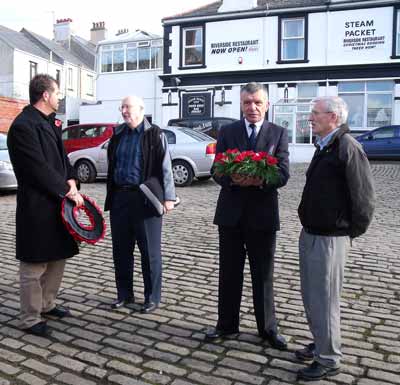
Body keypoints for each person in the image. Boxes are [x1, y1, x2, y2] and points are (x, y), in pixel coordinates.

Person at [205, 82, 290, 350]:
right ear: (240, 104)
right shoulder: (227, 132)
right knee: (229, 272)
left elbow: (284, 173)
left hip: (263, 215)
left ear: (266, 104)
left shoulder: (279, 133)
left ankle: (267, 329)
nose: (252, 108)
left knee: (263, 274)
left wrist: (260, 181)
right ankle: (226, 326)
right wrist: (233, 179)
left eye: (257, 102)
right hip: (230, 215)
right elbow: (217, 170)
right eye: (246, 103)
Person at [296, 96, 375, 381]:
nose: (310, 118)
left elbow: (364, 197)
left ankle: (329, 359)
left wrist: (348, 232)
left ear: (333, 117)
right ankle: (321, 343)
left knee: (325, 299)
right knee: (312, 296)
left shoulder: (347, 146)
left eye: (315, 113)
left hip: (331, 238)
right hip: (312, 234)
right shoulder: (325, 145)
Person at [7, 74, 83, 337]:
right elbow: (36, 170)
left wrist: (72, 178)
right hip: (37, 206)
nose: (59, 97)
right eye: (57, 92)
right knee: (34, 263)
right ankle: (30, 317)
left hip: (57, 204)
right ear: (45, 95)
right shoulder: (23, 126)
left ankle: (47, 304)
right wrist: (67, 191)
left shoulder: (49, 122)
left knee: (56, 258)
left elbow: (63, 158)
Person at [104, 95, 175, 314]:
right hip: (120, 199)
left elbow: (166, 166)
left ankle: (152, 297)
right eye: (122, 107)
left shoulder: (154, 134)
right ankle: (124, 294)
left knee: (149, 252)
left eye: (128, 106)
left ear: (141, 109)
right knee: (121, 251)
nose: (124, 110)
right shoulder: (117, 135)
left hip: (146, 199)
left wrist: (169, 198)